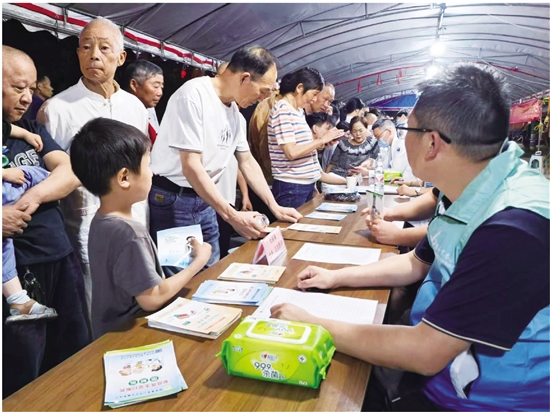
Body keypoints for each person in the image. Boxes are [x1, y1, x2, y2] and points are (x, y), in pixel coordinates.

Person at [271, 63, 549, 411]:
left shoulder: (512, 227)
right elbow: (417, 263)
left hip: (483, 398)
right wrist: (335, 277)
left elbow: (425, 352)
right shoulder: (476, 182)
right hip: (443, 366)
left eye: (407, 129)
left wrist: (310, 323)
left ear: (431, 142)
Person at [149, 45, 302, 266]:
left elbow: (247, 161)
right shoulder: (193, 95)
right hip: (175, 199)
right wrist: (232, 215)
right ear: (245, 78)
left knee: (211, 267)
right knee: (182, 272)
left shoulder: (234, 113)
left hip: (206, 199)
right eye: (263, 91)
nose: (261, 100)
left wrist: (274, 206)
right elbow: (191, 165)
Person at [39, 17, 150, 315]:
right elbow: (50, 175)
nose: (94, 55)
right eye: (86, 47)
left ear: (121, 57)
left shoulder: (135, 107)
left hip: (136, 222)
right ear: (78, 54)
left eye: (104, 48)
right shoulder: (57, 108)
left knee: (140, 306)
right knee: (95, 310)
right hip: (86, 227)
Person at [70, 118, 212, 340]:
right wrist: (199, 262)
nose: (152, 173)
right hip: (131, 336)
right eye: (147, 165)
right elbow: (152, 298)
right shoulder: (130, 233)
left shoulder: (101, 220)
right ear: (124, 177)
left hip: (108, 334)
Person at [2, 45, 90, 397]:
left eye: (31, 87)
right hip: (18, 270)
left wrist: (31, 198)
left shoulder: (26, 126)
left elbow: (70, 172)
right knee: (23, 369)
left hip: (59, 254)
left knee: (73, 351)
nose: (28, 97)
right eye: (18, 87)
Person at [268, 67, 345, 208]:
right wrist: (322, 140)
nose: (314, 99)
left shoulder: (297, 111)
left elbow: (301, 147)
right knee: (294, 223)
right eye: (314, 94)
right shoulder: (283, 110)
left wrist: (322, 144)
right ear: (299, 88)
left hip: (303, 184)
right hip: (292, 185)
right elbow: (291, 152)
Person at [122, 59, 164, 144]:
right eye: (156, 86)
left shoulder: (149, 109)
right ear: (134, 84)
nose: (160, 93)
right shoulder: (121, 110)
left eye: (161, 87)